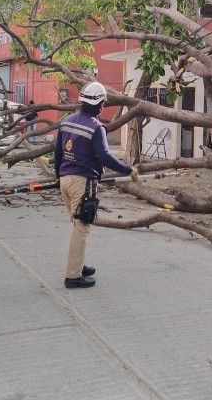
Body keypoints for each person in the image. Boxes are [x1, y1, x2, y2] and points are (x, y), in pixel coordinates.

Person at [54, 81, 138, 289]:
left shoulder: (66, 121)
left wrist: (59, 177)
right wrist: (128, 169)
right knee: (82, 226)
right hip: (83, 182)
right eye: (103, 104)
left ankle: (78, 265)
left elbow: (58, 154)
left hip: (65, 179)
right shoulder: (96, 127)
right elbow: (104, 157)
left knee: (77, 224)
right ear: (99, 105)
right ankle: (73, 276)